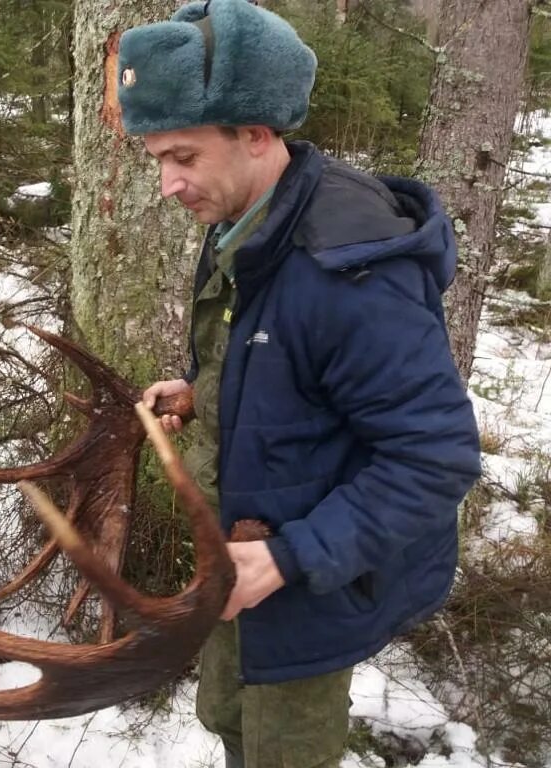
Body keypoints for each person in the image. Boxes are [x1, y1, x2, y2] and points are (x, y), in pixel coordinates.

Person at [120, 2, 482, 766]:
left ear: (256, 134)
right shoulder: (243, 222)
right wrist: (200, 391)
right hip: (243, 551)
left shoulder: (349, 272)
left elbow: (436, 457)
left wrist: (290, 557)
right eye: (157, 159)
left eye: (183, 156)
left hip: (315, 575)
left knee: (283, 752)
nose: (167, 184)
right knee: (225, 715)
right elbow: (273, 353)